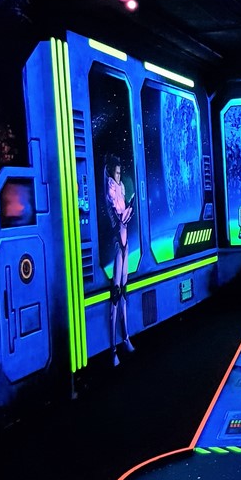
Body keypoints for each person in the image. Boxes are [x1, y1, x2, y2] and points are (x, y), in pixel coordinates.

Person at [104, 154, 135, 366]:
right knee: (115, 295)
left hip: (125, 241)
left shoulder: (121, 189)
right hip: (118, 241)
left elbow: (124, 214)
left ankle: (125, 338)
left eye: (119, 172)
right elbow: (117, 216)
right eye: (116, 172)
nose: (119, 175)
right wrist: (123, 216)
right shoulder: (110, 191)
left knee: (123, 291)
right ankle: (113, 349)